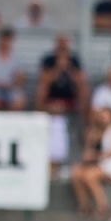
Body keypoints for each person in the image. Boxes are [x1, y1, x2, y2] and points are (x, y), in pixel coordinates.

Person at [36, 35, 86, 178]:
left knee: (84, 90)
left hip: (69, 98)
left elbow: (80, 81)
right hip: (51, 99)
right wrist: (58, 68)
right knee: (41, 90)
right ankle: (39, 116)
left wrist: (68, 68)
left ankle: (84, 125)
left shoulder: (74, 61)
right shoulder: (49, 60)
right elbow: (44, 80)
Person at [69, 108, 111, 221]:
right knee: (76, 172)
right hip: (99, 164)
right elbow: (88, 150)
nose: (103, 120)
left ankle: (103, 206)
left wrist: (94, 156)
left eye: (105, 117)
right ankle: (84, 205)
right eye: (101, 117)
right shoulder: (95, 132)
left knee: (89, 175)